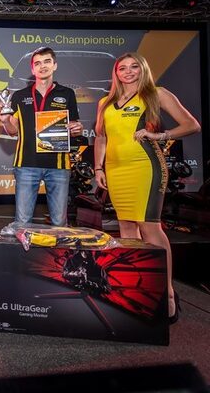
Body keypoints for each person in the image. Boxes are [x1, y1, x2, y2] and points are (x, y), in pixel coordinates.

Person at [93, 52, 200, 323]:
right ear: (116, 72)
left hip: (146, 167)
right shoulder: (106, 102)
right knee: (127, 228)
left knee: (150, 227)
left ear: (143, 70)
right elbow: (101, 137)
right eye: (122, 68)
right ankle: (138, 290)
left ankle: (168, 294)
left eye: (134, 67)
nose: (128, 72)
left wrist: (161, 135)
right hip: (116, 171)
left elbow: (191, 125)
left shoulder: (156, 94)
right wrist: (98, 168)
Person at [0, 46, 83, 227]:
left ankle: (58, 247)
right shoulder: (20, 96)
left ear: (55, 65)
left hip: (58, 165)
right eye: (37, 63)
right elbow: (12, 131)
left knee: (59, 222)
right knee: (22, 222)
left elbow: (74, 126)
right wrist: (5, 121)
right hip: (27, 164)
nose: (42, 66)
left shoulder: (67, 94)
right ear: (32, 69)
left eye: (47, 62)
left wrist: (77, 128)